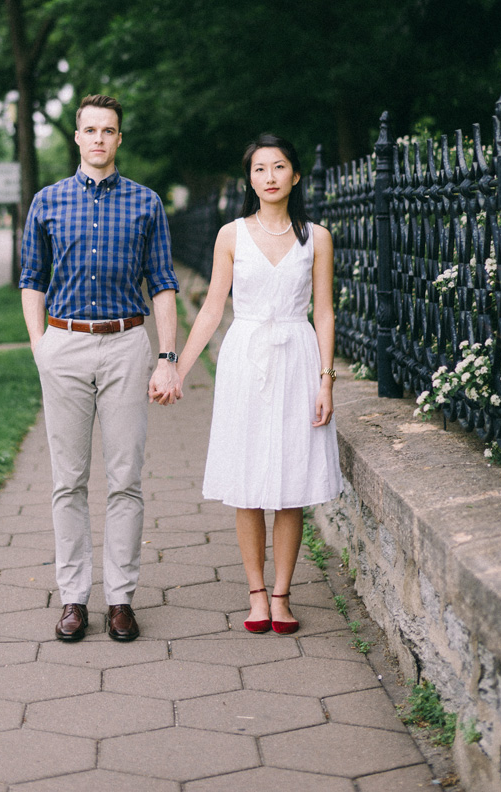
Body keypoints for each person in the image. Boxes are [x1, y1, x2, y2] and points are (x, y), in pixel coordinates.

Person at [20, 94, 181, 644]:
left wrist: (166, 358)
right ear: (76, 136)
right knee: (68, 480)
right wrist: (40, 344)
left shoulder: (145, 204)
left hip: (125, 344)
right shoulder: (47, 201)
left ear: (118, 139)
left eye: (107, 131)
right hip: (63, 344)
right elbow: (31, 279)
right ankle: (73, 599)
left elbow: (162, 283)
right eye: (89, 129)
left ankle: (120, 600)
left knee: (125, 480)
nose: (98, 139)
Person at [176, 133, 342, 634]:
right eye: (259, 169)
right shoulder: (230, 235)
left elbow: (325, 312)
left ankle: (283, 594)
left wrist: (327, 380)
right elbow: (211, 307)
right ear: (250, 179)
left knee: (291, 483)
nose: (269, 177)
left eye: (278, 167)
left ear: (294, 175)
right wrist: (178, 367)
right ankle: (255, 594)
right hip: (245, 359)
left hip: (297, 356)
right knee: (248, 482)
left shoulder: (317, 237)